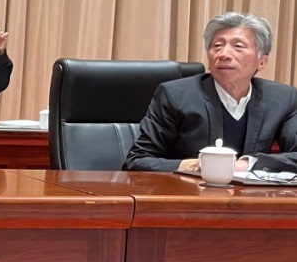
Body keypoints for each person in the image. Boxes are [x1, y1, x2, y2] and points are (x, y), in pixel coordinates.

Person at [124, 11, 297, 172]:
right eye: (217, 46)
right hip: (187, 191)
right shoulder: (175, 95)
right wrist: (192, 166)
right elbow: (137, 160)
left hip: (249, 194)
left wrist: (247, 164)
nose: (224, 54)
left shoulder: (282, 98)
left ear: (262, 62)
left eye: (238, 46)